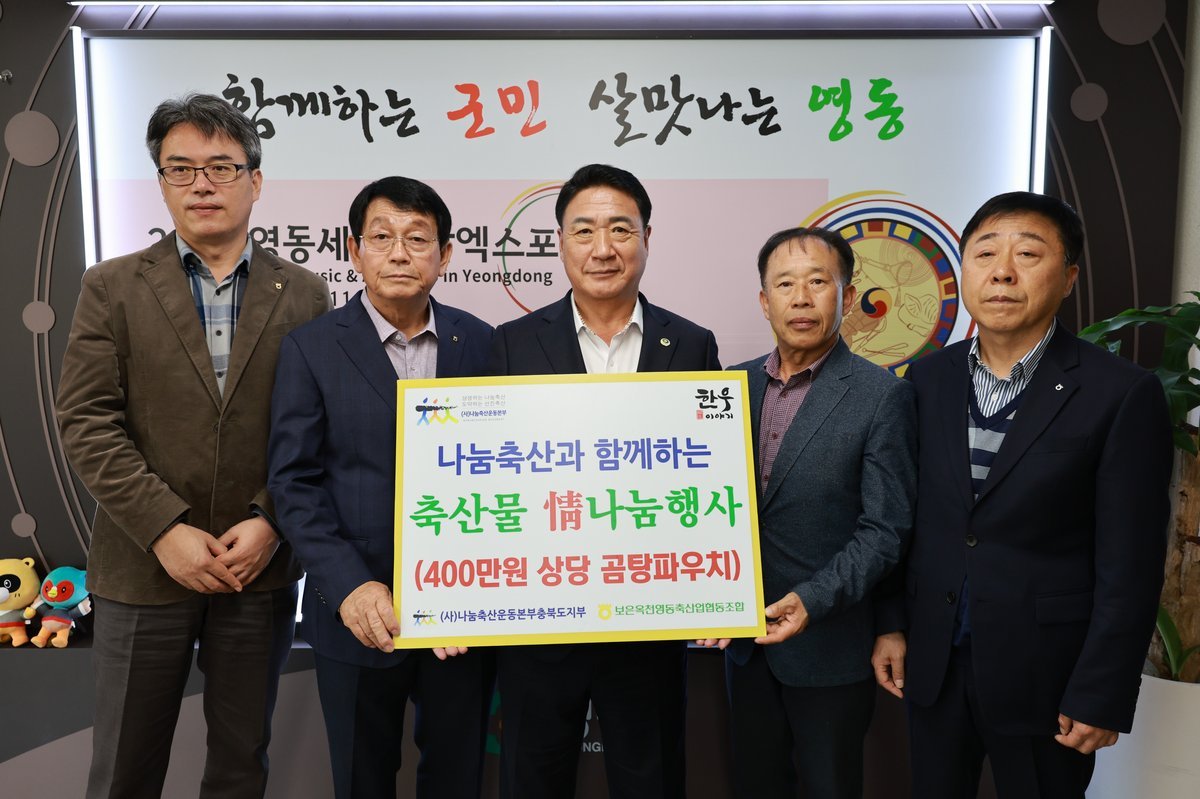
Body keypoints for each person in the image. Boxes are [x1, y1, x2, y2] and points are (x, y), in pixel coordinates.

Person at [56, 93, 330, 799]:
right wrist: (164, 529)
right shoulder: (111, 286)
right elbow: (86, 419)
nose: (201, 184)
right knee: (124, 769)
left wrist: (272, 520)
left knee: (241, 766)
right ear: (161, 183)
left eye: (220, 167)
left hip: (256, 569)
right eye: (180, 168)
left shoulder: (304, 293)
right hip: (142, 568)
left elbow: (318, 428)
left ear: (255, 181)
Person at [872, 191, 1173, 798]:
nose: (1003, 271)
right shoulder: (927, 378)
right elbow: (906, 518)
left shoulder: (1120, 393)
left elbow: (1131, 563)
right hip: (934, 662)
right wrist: (892, 624)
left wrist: (1102, 691)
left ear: (1069, 278)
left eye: (1028, 254)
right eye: (985, 253)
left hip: (1048, 676)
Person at [487, 163, 721, 799]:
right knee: (532, 780)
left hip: (649, 622)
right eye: (584, 230)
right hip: (540, 622)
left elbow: (710, 476)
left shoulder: (692, 345)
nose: (602, 248)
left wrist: (716, 591)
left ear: (647, 238)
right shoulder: (509, 346)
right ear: (560, 242)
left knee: (652, 778)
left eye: (620, 229)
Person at [267, 176, 495, 799]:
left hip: (464, 612)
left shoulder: (482, 342)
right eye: (382, 237)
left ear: (445, 254)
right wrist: (350, 586)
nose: (399, 253)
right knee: (361, 779)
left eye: (417, 239)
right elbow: (294, 482)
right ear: (354, 249)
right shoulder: (311, 348)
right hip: (355, 611)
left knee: (458, 777)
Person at [698, 227, 917, 799]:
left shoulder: (881, 395)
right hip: (742, 646)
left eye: (818, 282)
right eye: (785, 284)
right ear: (763, 300)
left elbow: (885, 529)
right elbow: (698, 503)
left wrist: (812, 601)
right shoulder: (726, 386)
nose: (801, 298)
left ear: (848, 295)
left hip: (829, 642)